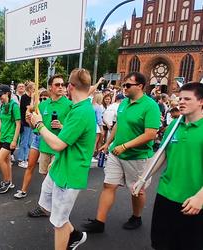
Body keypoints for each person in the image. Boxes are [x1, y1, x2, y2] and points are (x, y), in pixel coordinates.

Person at [82, 72, 160, 233]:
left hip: (138, 157)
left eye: (128, 85)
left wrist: (125, 146)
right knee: (108, 185)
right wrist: (108, 143)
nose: (124, 87)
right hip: (116, 153)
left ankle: (136, 217)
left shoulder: (150, 105)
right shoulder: (124, 103)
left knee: (137, 190)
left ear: (140, 86)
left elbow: (151, 134)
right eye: (124, 85)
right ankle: (99, 222)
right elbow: (118, 124)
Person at [30, 68, 96, 250]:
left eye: (64, 84)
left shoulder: (81, 112)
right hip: (60, 168)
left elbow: (58, 144)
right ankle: (75, 235)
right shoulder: (77, 109)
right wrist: (57, 159)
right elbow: (68, 141)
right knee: (48, 206)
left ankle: (70, 238)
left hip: (70, 174)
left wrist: (38, 124)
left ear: (70, 87)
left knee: (58, 222)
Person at [149, 82, 203, 250]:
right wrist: (145, 177)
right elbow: (162, 154)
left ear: (201, 101)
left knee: (188, 245)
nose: (181, 102)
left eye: (187, 98)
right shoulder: (174, 125)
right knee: (160, 242)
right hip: (166, 194)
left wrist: (200, 197)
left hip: (193, 200)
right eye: (180, 98)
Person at [27, 74, 72, 217]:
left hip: (60, 148)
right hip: (45, 147)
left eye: (62, 85)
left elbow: (73, 129)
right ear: (50, 87)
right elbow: (37, 128)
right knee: (45, 176)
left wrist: (62, 126)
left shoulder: (70, 105)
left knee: (56, 178)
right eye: (57, 85)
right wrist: (30, 120)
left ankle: (53, 208)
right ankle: (48, 205)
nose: (61, 87)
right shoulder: (43, 105)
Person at [14, 90, 50, 199]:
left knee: (46, 171)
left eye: (45, 98)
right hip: (37, 138)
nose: (43, 100)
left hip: (47, 140)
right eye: (41, 98)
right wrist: (29, 119)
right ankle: (23, 190)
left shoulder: (51, 108)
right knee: (30, 165)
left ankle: (48, 194)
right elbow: (32, 127)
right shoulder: (36, 108)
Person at [0, 85, 21, 194]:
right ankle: (10, 182)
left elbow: (18, 124)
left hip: (10, 137)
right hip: (3, 136)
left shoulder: (14, 106)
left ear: (7, 93)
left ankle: (6, 181)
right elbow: (1, 122)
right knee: (7, 160)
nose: (0, 97)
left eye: (1, 95)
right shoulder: (3, 106)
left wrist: (14, 140)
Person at [17, 82, 35, 168]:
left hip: (31, 122)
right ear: (30, 89)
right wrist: (32, 98)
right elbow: (30, 108)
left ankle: (26, 158)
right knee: (24, 141)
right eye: (34, 89)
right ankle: (21, 159)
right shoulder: (24, 97)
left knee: (29, 142)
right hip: (25, 123)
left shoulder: (31, 97)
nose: (35, 91)